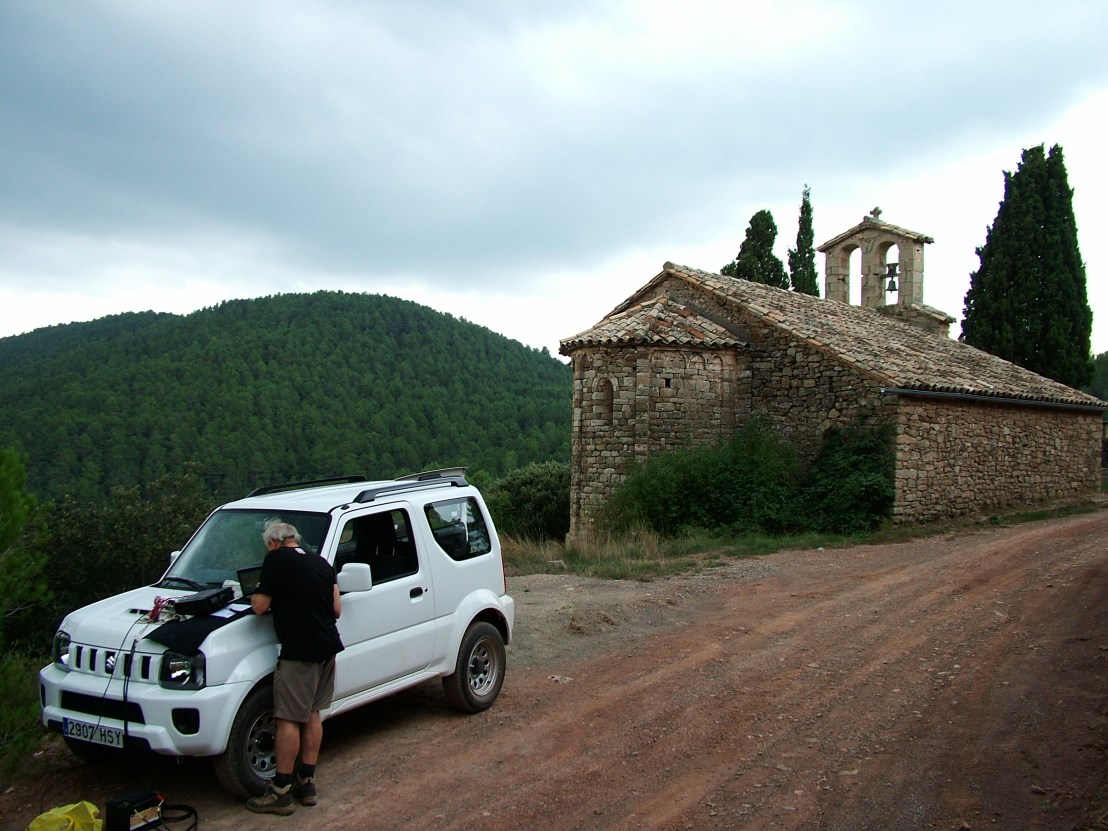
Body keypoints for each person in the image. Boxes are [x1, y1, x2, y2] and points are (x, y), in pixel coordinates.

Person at [246, 520, 344, 815]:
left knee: (287, 717)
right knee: (313, 714)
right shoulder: (322, 563)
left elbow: (260, 607)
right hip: (328, 646)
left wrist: (257, 594)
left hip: (299, 650)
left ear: (273, 543)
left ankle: (281, 791)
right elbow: (336, 609)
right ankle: (308, 782)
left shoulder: (275, 560)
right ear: (295, 539)